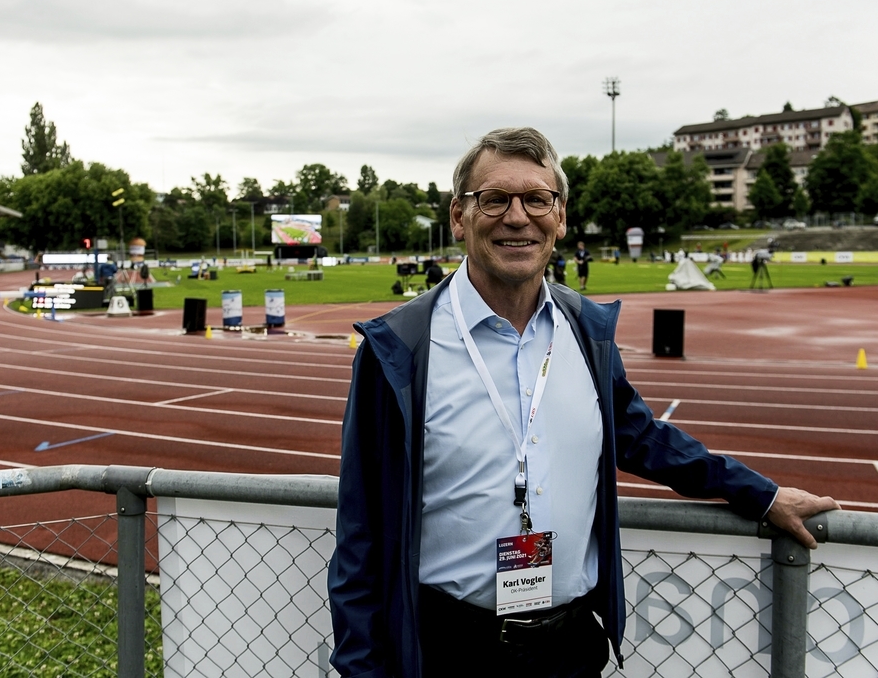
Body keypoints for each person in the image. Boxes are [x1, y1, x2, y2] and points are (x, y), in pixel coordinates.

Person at [328, 127, 838, 678]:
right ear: (459, 216)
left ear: (561, 215)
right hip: (446, 649)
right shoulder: (400, 348)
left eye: (537, 199)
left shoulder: (586, 331)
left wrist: (760, 495)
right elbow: (361, 534)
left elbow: (641, 437)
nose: (518, 217)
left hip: (567, 648)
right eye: (494, 199)